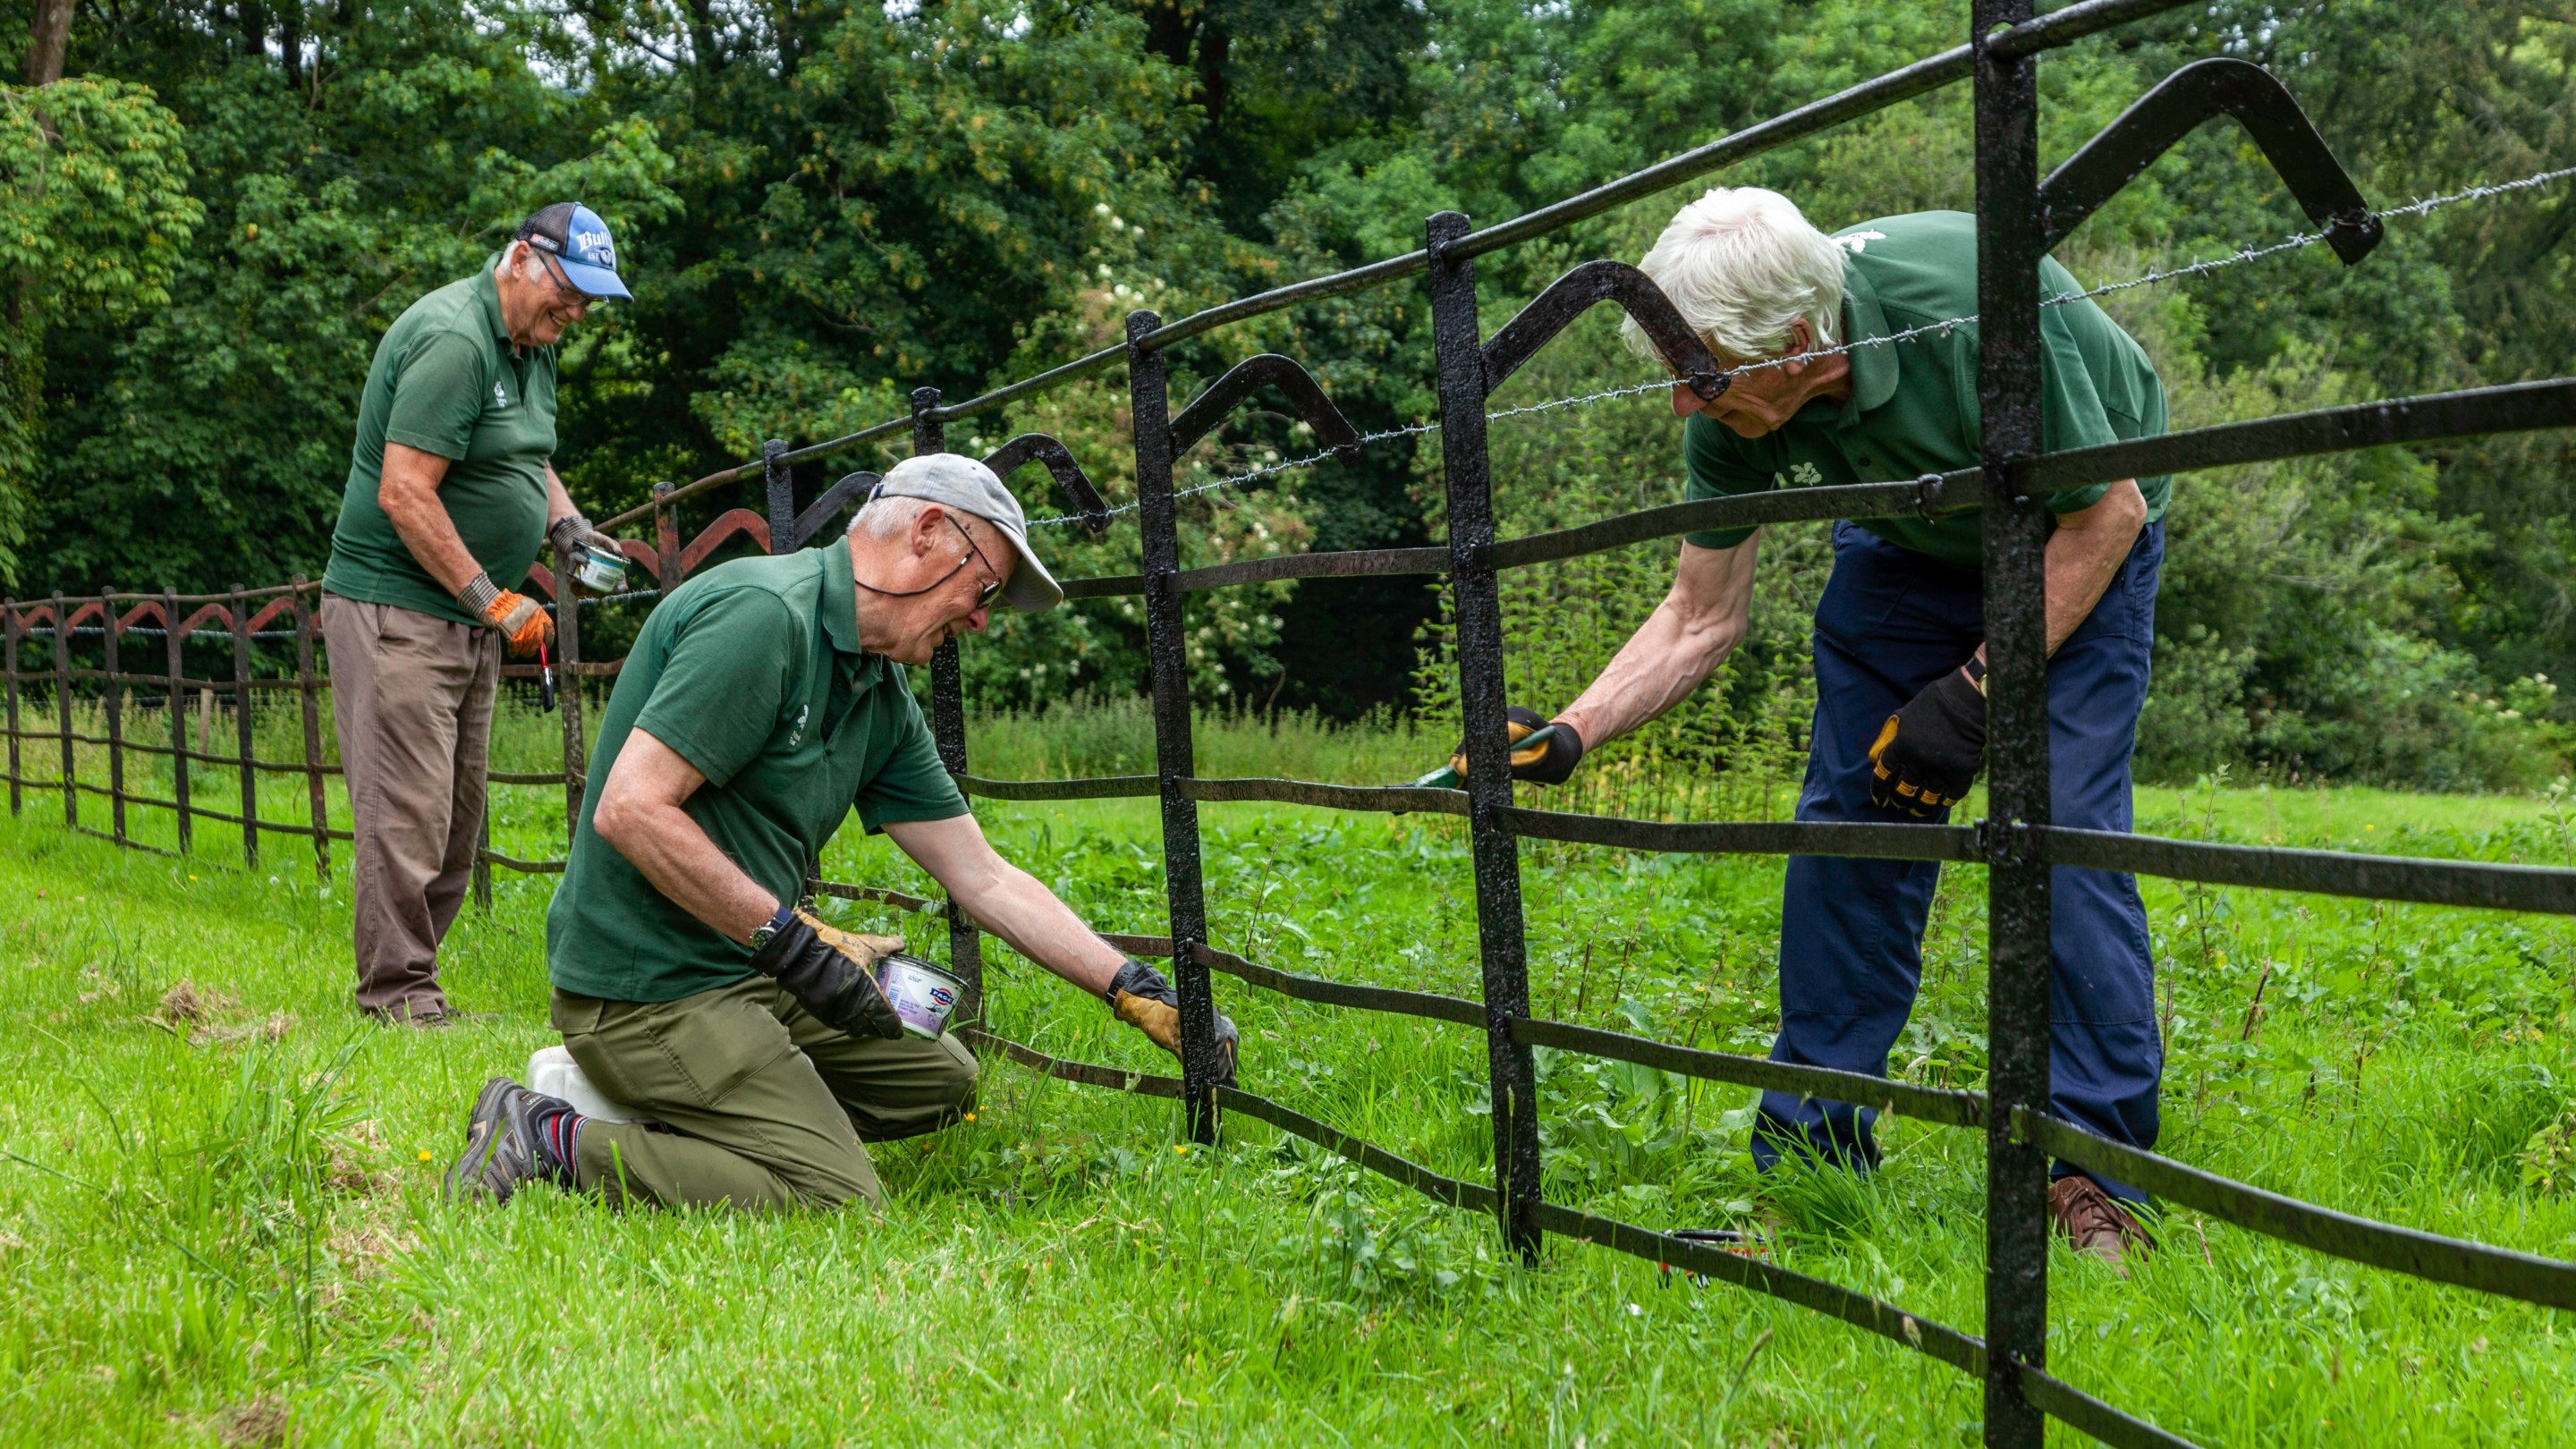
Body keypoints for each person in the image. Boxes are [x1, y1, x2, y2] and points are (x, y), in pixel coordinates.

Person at [1480, 189, 2168, 1268]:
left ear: (1801, 343)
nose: (1679, 408)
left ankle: (2097, 1178)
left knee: (2062, 840)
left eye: (1697, 379)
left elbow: (2109, 511)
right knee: (1849, 834)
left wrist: (1976, 692)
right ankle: (1813, 1175)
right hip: (1907, 543)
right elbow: (1701, 614)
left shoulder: (1969, 318)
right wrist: (1569, 733)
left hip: (2075, 536)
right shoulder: (1732, 391)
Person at [445, 453, 1238, 1211]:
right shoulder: (762, 618)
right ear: (927, 533)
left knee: (940, 1083)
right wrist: (790, 943)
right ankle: (548, 1136)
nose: (985, 617)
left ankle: (720, 1125)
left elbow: (982, 877)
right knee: (835, 1199)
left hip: (748, 971)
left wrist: (1133, 988)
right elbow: (631, 809)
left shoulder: (876, 689)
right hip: (646, 987)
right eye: (985, 583)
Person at [318, 203, 634, 1025]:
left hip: (464, 617)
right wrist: (492, 598)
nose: (577, 312)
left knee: (456, 821)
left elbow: (527, 455)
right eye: (569, 291)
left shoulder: (531, 346)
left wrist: (565, 527)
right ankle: (397, 1000)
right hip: (400, 609)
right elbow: (403, 492)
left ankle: (415, 984)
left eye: (592, 301)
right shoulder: (457, 342)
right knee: (406, 815)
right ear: (523, 261)